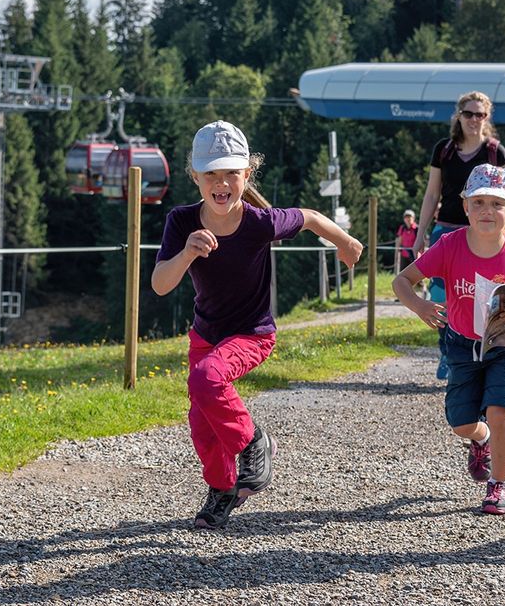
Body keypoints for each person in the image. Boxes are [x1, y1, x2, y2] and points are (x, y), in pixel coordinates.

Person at [152, 120, 363, 529]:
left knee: (207, 380)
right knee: (201, 422)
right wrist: (186, 254)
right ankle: (222, 489)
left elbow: (310, 217)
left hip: (253, 334)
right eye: (211, 174)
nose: (221, 183)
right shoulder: (181, 222)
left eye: (231, 173)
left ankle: (254, 441)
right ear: (194, 176)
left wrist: (347, 242)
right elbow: (161, 285)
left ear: (247, 174)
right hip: (205, 336)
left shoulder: (260, 222)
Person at [394, 163, 505, 515]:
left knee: (500, 412)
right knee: (460, 424)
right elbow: (401, 281)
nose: (487, 211)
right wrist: (420, 305)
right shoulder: (450, 245)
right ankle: (481, 438)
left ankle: (499, 484)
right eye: (479, 203)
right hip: (461, 344)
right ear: (465, 206)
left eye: (497, 204)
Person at [413, 92, 505, 381]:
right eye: (468, 113)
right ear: (459, 115)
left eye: (480, 114)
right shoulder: (444, 150)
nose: (473, 119)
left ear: (487, 118)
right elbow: (432, 194)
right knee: (441, 295)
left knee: (479, 296)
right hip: (447, 229)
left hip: (483, 234)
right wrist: (420, 234)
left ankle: (481, 353)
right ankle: (447, 351)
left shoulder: (495, 152)